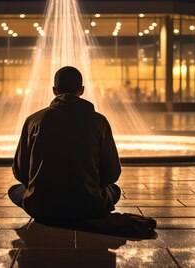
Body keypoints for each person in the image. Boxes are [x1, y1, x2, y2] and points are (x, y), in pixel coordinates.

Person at [9, 66, 122, 224]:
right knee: (115, 190)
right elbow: (112, 174)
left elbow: (20, 171)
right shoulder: (99, 122)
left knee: (14, 190)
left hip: (42, 207)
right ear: (82, 90)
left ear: (54, 90)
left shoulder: (34, 120)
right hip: (89, 206)